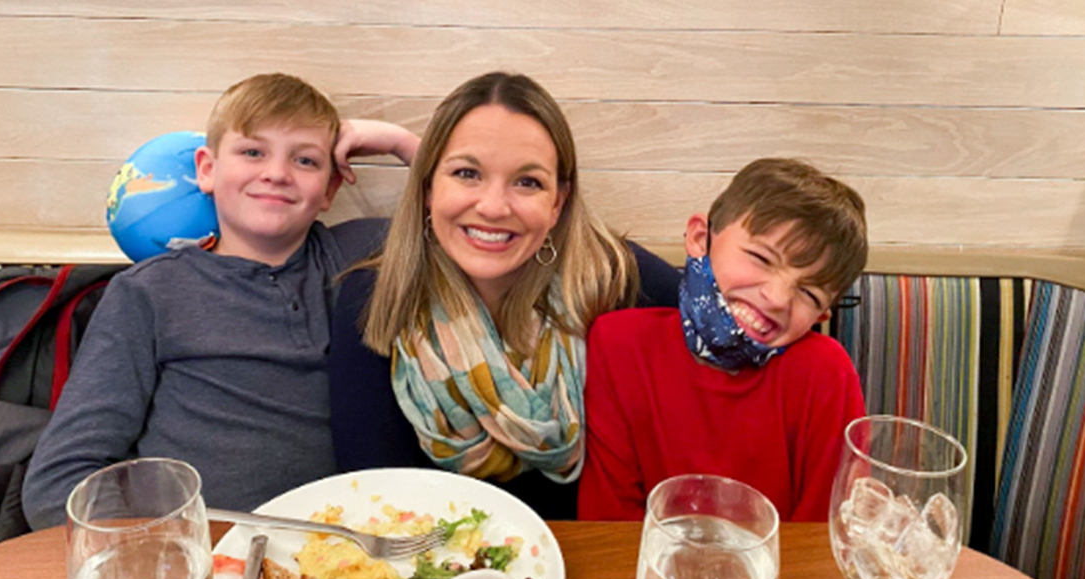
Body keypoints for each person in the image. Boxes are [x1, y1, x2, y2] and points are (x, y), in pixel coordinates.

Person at [22, 73, 419, 529]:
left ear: (330, 190)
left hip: (354, 545)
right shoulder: (149, 292)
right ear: (207, 170)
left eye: (305, 161)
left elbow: (470, 220)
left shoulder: (356, 252)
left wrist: (400, 143)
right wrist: (166, 553)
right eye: (253, 152)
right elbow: (57, 484)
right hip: (203, 555)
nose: (276, 173)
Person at [328, 71, 680, 520]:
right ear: (427, 187)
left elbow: (749, 322)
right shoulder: (373, 297)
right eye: (466, 173)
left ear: (558, 202)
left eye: (528, 182)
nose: (494, 207)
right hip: (432, 569)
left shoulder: (614, 279)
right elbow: (375, 499)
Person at [578, 158, 868, 522]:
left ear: (821, 316)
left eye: (808, 294)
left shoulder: (824, 373)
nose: (778, 298)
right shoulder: (617, 344)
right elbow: (607, 524)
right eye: (762, 258)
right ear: (701, 238)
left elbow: (824, 537)